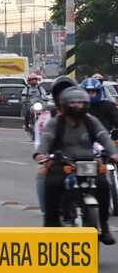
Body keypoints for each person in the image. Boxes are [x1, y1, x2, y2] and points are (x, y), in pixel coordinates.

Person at [34, 87, 117, 245]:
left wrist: (113, 153)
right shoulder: (56, 122)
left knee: (103, 185)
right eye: (73, 103)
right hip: (63, 163)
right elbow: (46, 138)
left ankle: (104, 226)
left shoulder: (91, 121)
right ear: (65, 104)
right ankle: (51, 223)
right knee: (52, 184)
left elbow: (104, 137)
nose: (77, 106)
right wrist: (41, 154)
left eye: (80, 103)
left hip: (88, 163)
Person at [33, 76, 78, 216]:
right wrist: (44, 158)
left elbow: (96, 137)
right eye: (62, 93)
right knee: (42, 176)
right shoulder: (47, 117)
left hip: (83, 160)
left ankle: (103, 225)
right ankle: (49, 214)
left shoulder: (86, 114)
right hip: (58, 160)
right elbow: (41, 141)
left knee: (101, 182)